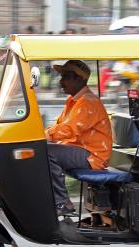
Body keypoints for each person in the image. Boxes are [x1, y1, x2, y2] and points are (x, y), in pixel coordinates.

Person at [45, 60, 113, 216]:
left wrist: (43, 135)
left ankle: (62, 203)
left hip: (92, 156)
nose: (60, 81)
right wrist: (41, 133)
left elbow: (68, 130)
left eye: (65, 77)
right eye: (61, 76)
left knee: (47, 152)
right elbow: (59, 126)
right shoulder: (73, 101)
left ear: (79, 79)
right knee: (42, 149)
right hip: (79, 150)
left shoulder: (87, 102)